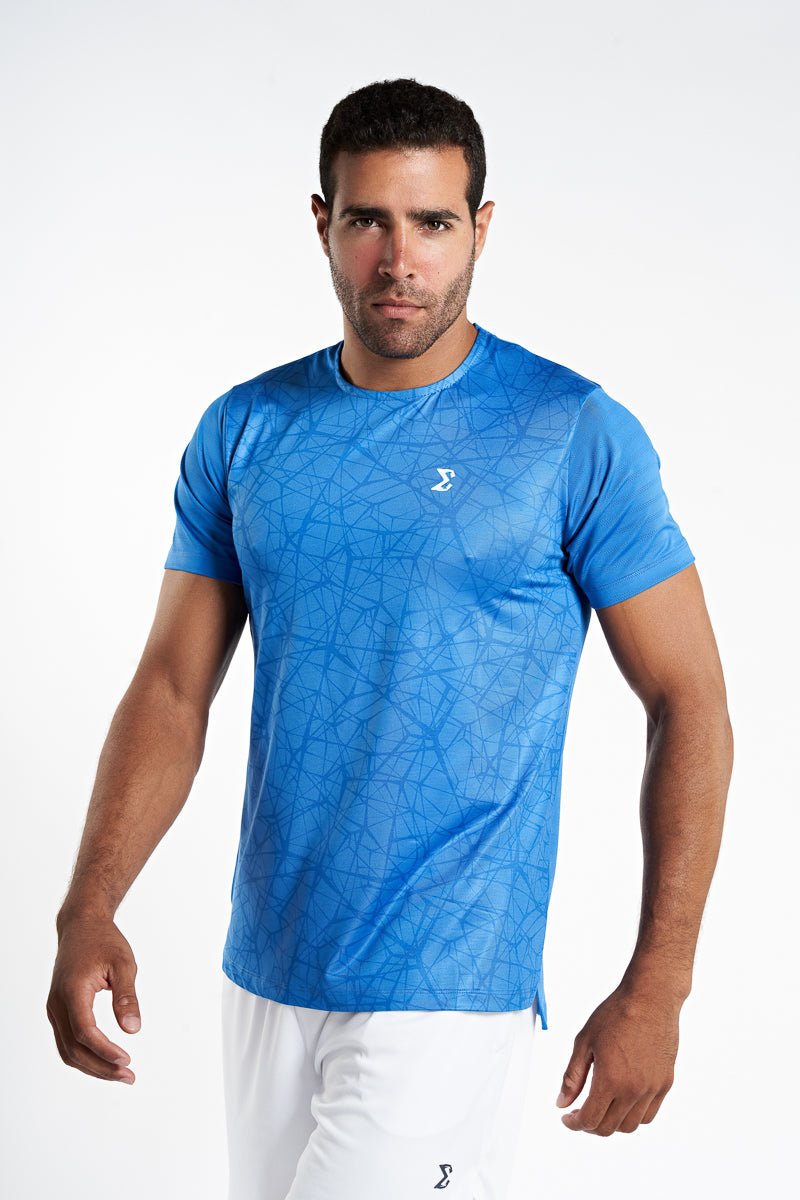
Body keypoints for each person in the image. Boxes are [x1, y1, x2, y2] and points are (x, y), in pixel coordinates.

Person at [47, 77, 733, 1198]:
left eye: (432, 223)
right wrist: (90, 902)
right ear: (322, 223)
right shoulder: (246, 429)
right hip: (267, 972)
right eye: (368, 219)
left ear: (481, 228)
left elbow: (689, 698)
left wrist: (660, 982)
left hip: (447, 988)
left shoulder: (569, 432)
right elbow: (172, 688)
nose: (399, 259)